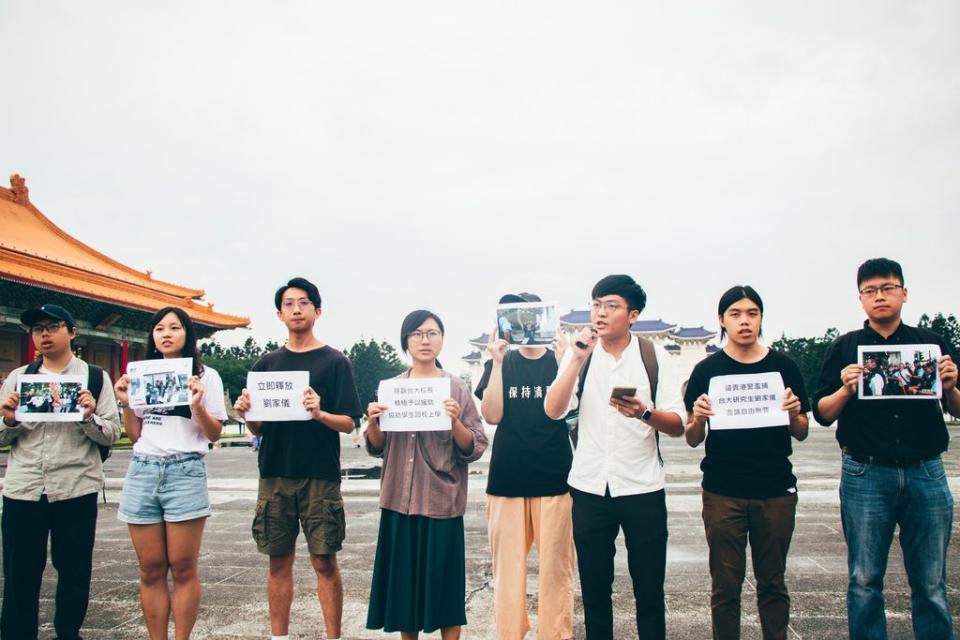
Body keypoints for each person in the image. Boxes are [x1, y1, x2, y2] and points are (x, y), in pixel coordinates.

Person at [813, 258, 959, 639]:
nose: (880, 297)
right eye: (870, 291)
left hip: (926, 470)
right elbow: (824, 414)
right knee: (864, 579)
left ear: (904, 293)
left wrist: (951, 385)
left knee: (931, 581)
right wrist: (845, 388)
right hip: (866, 471)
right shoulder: (845, 348)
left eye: (888, 288)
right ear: (860, 298)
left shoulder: (931, 346)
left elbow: (956, 407)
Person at [544, 275, 686, 639]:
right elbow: (554, 410)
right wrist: (575, 359)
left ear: (633, 315)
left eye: (611, 305)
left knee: (650, 591)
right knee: (594, 592)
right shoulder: (582, 356)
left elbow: (677, 425)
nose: (601, 312)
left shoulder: (654, 358)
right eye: (596, 304)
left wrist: (643, 413)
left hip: (643, 488)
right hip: (590, 488)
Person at [234, 277, 362, 640]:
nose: (296, 309)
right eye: (288, 304)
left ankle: (333, 635)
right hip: (275, 471)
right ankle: (279, 636)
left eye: (303, 303)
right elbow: (258, 428)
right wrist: (246, 412)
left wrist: (320, 413)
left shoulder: (336, 362)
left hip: (320, 473)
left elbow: (349, 421)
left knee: (324, 560)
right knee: (278, 561)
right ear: (279, 314)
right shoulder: (266, 364)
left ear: (317, 311)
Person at [683, 286, 809, 640]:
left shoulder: (783, 367)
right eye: (735, 314)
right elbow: (693, 438)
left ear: (761, 319)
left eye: (752, 313)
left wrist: (795, 414)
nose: (744, 321)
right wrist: (697, 417)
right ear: (721, 321)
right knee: (725, 585)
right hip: (724, 492)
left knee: (773, 582)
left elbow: (801, 432)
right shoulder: (707, 370)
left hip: (775, 490)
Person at [0, 303, 121, 640]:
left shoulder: (95, 378)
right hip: (24, 488)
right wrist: (9, 420)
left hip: (75, 487)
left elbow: (112, 432)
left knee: (74, 570)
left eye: (52, 326)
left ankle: (68, 633)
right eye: (37, 329)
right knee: (19, 572)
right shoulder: (18, 378)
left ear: (72, 331)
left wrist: (88, 416)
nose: (44, 334)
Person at [365, 310, 488, 640]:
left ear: (442, 340)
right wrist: (373, 422)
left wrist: (455, 421)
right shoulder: (391, 389)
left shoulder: (456, 388)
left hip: (440, 501)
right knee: (404, 593)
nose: (424, 340)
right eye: (417, 333)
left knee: (446, 590)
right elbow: (377, 447)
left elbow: (475, 446)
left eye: (432, 333)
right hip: (398, 501)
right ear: (406, 340)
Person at [114, 307, 227, 640]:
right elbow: (135, 434)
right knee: (150, 570)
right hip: (143, 469)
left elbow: (214, 433)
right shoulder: (140, 375)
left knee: (182, 567)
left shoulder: (206, 377)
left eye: (175, 328)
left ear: (187, 335)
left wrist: (197, 405)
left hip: (184, 470)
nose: (166, 334)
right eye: (159, 328)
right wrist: (125, 402)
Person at [475, 293, 575, 640]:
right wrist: (498, 363)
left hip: (555, 479)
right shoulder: (501, 362)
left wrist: (569, 362)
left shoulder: (561, 361)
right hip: (507, 481)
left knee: (555, 574)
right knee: (509, 576)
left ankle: (555, 635)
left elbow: (574, 415)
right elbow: (491, 415)